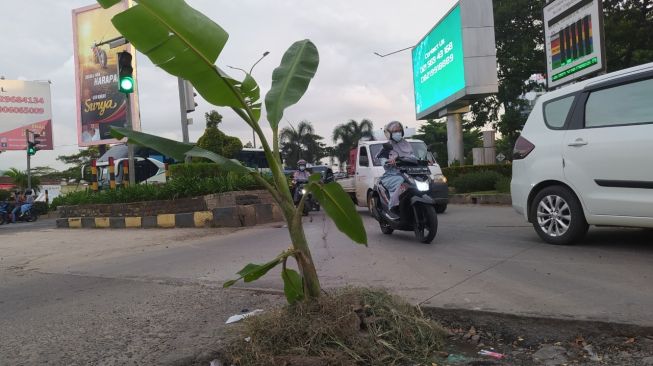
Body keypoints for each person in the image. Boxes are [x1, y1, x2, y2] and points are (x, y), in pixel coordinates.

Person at [375, 121, 416, 215]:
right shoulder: (386, 147)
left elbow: (412, 156)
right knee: (401, 182)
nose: (398, 133)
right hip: (392, 175)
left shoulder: (406, 144)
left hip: (407, 173)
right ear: (389, 133)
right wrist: (388, 161)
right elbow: (382, 160)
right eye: (395, 131)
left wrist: (422, 160)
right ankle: (394, 206)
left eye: (399, 130)